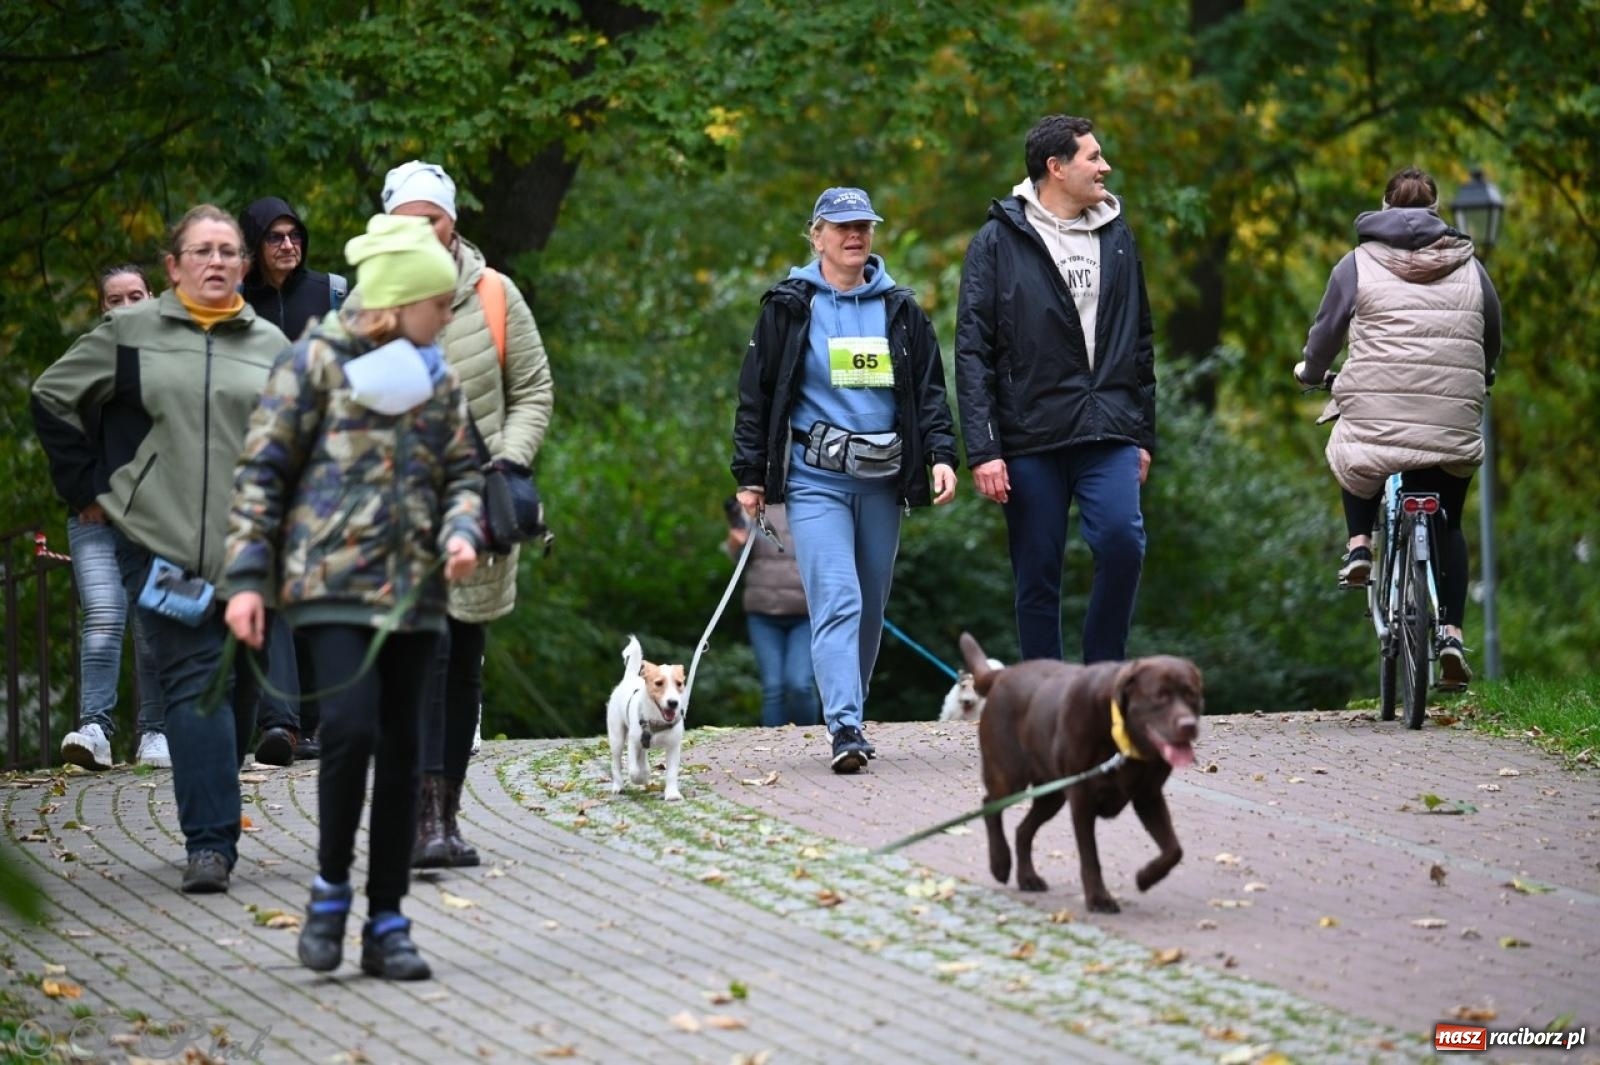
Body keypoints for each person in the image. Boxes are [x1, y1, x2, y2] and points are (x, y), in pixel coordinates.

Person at [223, 213, 483, 981]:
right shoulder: (314, 362)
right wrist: (245, 579)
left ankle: (389, 919)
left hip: (417, 593)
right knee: (349, 729)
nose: (447, 316)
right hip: (330, 586)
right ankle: (330, 887)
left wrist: (463, 530)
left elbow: (466, 469)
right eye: (439, 304)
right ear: (400, 302)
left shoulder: (435, 373)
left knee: (406, 746)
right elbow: (261, 473)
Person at [31, 205, 288, 893]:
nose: (216, 261)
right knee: (192, 673)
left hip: (248, 547)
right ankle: (208, 843)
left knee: (237, 679)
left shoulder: (269, 345)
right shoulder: (130, 332)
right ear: (173, 267)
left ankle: (217, 796)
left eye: (229, 251)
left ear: (243, 264)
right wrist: (90, 485)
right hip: (155, 540)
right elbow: (51, 395)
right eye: (201, 251)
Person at [731, 186, 958, 773]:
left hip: (883, 480)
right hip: (815, 480)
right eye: (841, 227)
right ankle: (846, 727)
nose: (854, 235)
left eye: (863, 226)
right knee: (839, 597)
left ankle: (849, 707)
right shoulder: (788, 305)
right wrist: (750, 475)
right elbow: (755, 396)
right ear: (816, 236)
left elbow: (929, 391)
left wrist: (940, 454)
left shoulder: (900, 309)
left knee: (870, 602)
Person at [379, 161, 554, 868]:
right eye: (408, 219)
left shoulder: (494, 295)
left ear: (453, 221)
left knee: (463, 666)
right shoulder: (368, 299)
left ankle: (444, 814)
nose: (422, 230)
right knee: (427, 659)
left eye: (434, 218)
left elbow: (535, 389)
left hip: (480, 504)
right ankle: (418, 819)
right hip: (399, 510)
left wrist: (508, 461)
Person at [955, 114, 1156, 665]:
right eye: (1093, 157)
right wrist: (985, 448)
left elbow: (1139, 340)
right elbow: (972, 351)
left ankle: (1102, 678)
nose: (1105, 166)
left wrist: (1143, 435)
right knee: (1037, 570)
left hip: (1108, 427)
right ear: (1055, 167)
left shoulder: (1117, 236)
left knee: (1122, 543)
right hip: (1029, 436)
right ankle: (1045, 691)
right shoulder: (996, 241)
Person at [1295, 165, 1502, 688]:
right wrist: (1486, 374)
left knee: (1355, 448)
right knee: (1449, 522)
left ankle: (1360, 545)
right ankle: (1452, 632)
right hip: (1450, 416)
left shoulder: (1357, 263)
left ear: (1385, 207)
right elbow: (1491, 333)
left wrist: (1313, 373)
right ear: (1435, 211)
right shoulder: (1470, 267)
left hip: (1377, 409)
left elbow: (1325, 333)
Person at [239, 196, 349, 763]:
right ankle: (279, 723)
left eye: (294, 235)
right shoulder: (234, 304)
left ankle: (322, 722)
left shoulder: (330, 294)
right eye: (274, 237)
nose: (287, 245)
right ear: (254, 246)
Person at [53, 265, 169, 771]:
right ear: (103, 308)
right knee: (102, 616)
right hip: (96, 517)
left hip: (157, 517)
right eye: (115, 300)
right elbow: (60, 431)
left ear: (153, 297)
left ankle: (156, 733)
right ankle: (95, 728)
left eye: (136, 296)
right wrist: (85, 494)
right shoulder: (83, 362)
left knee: (153, 624)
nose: (126, 306)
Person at [723, 500, 820, 728]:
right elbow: (738, 559)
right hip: (763, 614)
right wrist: (735, 543)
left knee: (800, 683)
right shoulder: (752, 509)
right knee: (773, 687)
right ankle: (771, 750)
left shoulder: (814, 507)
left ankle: (813, 742)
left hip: (805, 614)